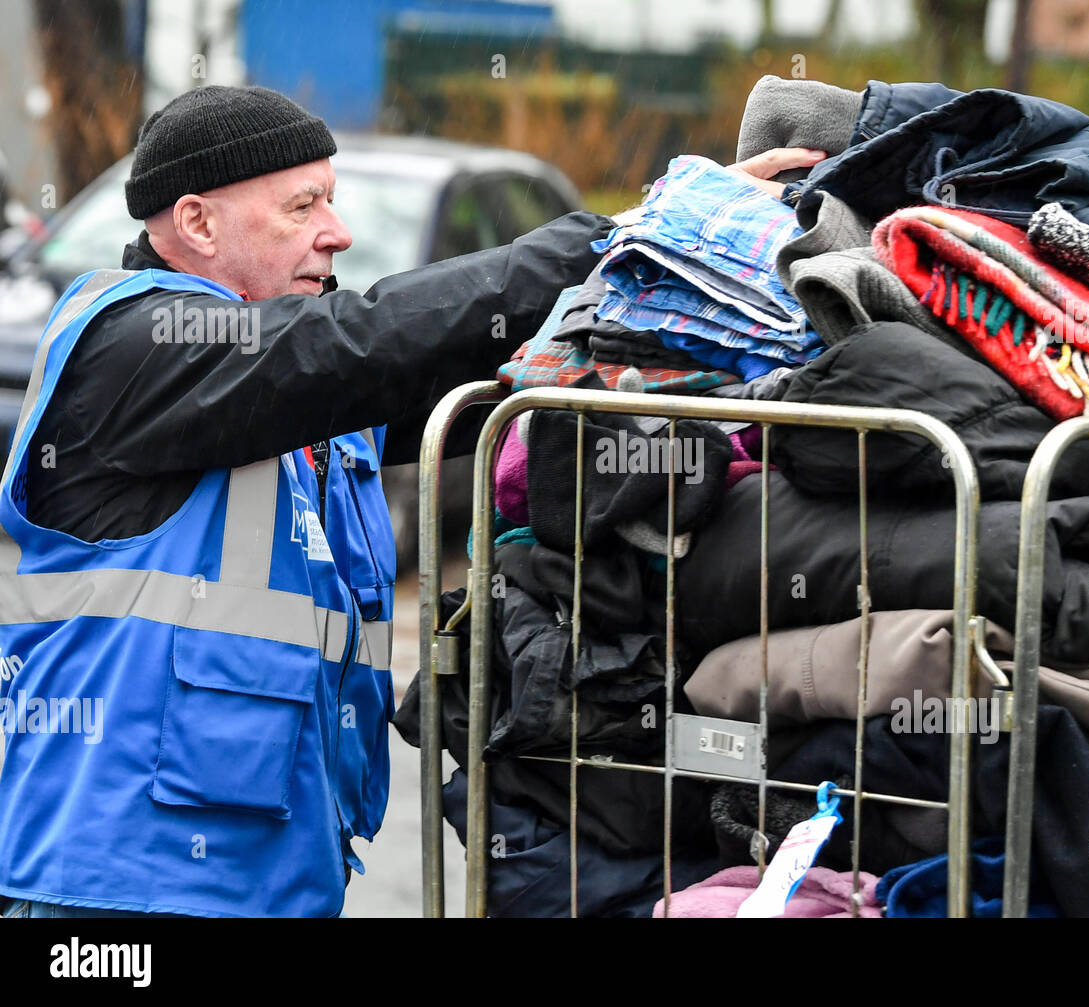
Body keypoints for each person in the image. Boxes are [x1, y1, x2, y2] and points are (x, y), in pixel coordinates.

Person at [0, 84, 821, 918]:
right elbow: (371, 338)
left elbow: (462, 370)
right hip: (113, 899)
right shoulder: (135, 346)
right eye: (303, 204)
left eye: (334, 197)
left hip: (276, 887)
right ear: (198, 224)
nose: (338, 229)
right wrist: (640, 233)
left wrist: (693, 277)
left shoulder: (281, 393)